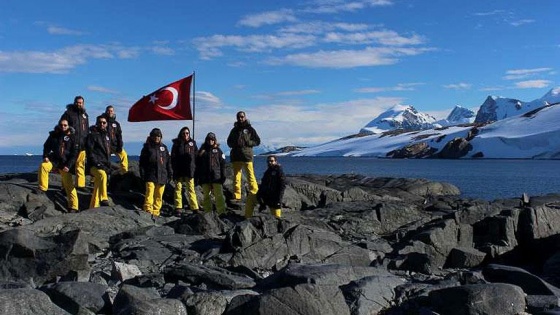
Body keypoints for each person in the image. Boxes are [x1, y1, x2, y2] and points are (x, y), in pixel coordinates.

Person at [37, 118, 79, 212]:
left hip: (65, 164)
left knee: (69, 186)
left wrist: (68, 165)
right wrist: (46, 156)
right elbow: (46, 146)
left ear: (68, 126)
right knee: (43, 166)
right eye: (61, 125)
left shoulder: (72, 137)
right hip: (54, 160)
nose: (63, 127)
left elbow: (74, 154)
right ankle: (42, 188)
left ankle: (74, 206)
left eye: (65, 125)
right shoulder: (53, 135)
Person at [226, 111, 261, 217]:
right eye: (239, 117)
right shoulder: (234, 129)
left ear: (245, 117)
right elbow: (228, 142)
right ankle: (237, 195)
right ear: (237, 118)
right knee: (236, 176)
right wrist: (234, 144)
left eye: (242, 117)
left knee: (251, 176)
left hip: (247, 156)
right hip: (236, 156)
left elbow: (257, 141)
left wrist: (249, 143)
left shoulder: (250, 129)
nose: (240, 118)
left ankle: (254, 194)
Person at [139, 128, 172, 217]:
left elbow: (168, 162)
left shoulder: (164, 148)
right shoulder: (147, 147)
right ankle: (148, 209)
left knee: (159, 195)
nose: (157, 137)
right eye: (155, 136)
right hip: (150, 174)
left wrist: (170, 173)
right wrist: (142, 173)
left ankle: (156, 211)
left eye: (158, 136)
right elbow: (142, 162)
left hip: (162, 174)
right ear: (151, 137)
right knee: (150, 191)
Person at [60, 96, 89, 188]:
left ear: (83, 104)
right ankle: (65, 186)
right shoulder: (68, 114)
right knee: (66, 165)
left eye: (80, 102)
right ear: (74, 102)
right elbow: (62, 126)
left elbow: (87, 129)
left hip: (82, 144)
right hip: (70, 143)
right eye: (77, 102)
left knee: (80, 165)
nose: (79, 104)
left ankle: (80, 185)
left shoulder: (85, 115)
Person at [171, 126, 199, 215]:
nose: (185, 135)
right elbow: (173, 157)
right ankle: (178, 207)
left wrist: (196, 168)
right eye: (184, 133)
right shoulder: (176, 144)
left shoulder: (193, 143)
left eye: (187, 133)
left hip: (189, 170)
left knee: (191, 189)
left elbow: (196, 156)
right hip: (179, 170)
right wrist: (174, 169)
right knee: (178, 188)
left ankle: (194, 207)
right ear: (180, 134)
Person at [196, 132, 226, 214]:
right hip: (205, 177)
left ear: (215, 140)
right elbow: (198, 165)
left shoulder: (219, 151)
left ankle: (221, 212)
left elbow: (222, 164)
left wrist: (223, 176)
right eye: (209, 139)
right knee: (206, 196)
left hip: (216, 177)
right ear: (206, 140)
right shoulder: (202, 151)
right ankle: (208, 212)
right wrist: (198, 177)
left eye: (212, 139)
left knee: (219, 195)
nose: (210, 141)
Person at [86, 115, 112, 208]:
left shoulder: (107, 136)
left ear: (106, 124)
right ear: (97, 123)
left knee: (98, 184)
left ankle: (93, 206)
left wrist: (108, 166)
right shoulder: (92, 135)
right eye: (100, 122)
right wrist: (98, 164)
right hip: (94, 166)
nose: (102, 124)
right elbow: (90, 152)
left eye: (104, 122)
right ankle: (104, 198)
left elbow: (108, 153)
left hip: (104, 165)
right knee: (102, 175)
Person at [102, 105, 128, 174]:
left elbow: (119, 135)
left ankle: (125, 173)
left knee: (124, 155)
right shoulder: (102, 122)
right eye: (108, 111)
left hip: (114, 145)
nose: (110, 112)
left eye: (111, 111)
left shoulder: (116, 124)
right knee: (103, 160)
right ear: (106, 111)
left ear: (113, 112)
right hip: (105, 145)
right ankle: (94, 179)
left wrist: (120, 145)